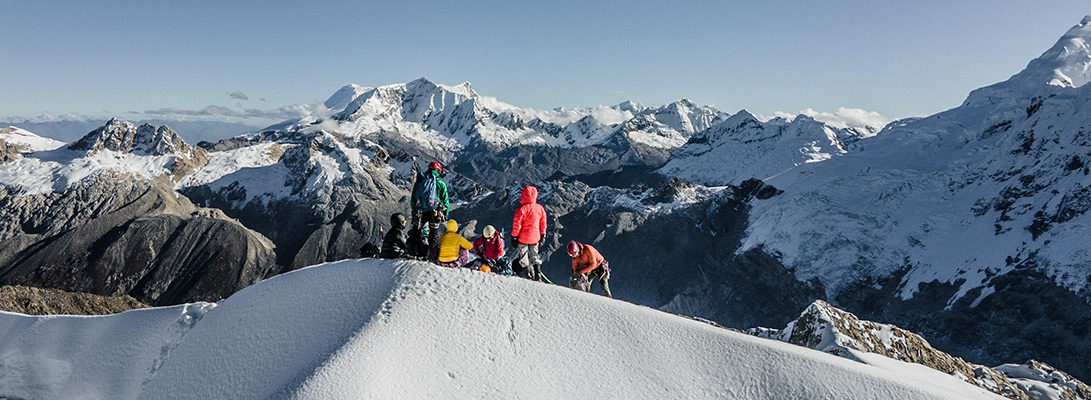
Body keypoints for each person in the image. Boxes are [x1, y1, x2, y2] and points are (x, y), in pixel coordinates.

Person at [411, 161, 450, 261]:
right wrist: (445, 213)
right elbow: (445, 200)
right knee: (433, 235)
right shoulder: (440, 183)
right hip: (435, 212)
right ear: (439, 171)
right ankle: (431, 258)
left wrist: (414, 210)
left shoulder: (420, 180)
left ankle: (413, 253)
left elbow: (413, 198)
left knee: (417, 232)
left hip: (420, 211)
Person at [511, 185, 546, 281]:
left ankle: (527, 276)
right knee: (535, 256)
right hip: (535, 238)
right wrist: (543, 235)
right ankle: (538, 275)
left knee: (524, 258)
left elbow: (516, 225)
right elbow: (543, 223)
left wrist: (514, 237)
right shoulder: (540, 208)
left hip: (523, 238)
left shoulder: (522, 209)